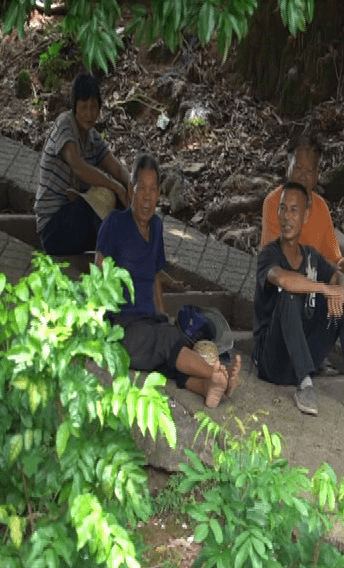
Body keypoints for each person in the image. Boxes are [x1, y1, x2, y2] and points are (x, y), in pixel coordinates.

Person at [95, 153, 241, 407]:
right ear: (131, 189)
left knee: (174, 343)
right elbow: (97, 277)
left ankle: (209, 387)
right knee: (165, 342)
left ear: (160, 193)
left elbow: (154, 275)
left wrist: (161, 312)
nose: (147, 197)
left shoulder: (158, 227)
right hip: (120, 327)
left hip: (148, 322)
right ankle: (218, 375)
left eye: (154, 190)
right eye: (142, 189)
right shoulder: (114, 224)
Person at [253, 181, 344, 419]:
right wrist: (325, 289)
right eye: (283, 209)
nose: (286, 217)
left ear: (305, 216)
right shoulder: (269, 254)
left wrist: (341, 292)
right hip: (273, 361)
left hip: (306, 352)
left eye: (294, 210)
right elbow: (282, 279)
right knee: (288, 297)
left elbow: (341, 277)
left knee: (341, 303)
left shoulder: (311, 256)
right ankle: (304, 384)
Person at [260, 134, 344, 311]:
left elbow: (335, 260)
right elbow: (275, 265)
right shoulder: (274, 203)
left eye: (309, 171)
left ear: (317, 175)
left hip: (317, 286)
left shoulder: (321, 207)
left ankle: (328, 331)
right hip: (288, 290)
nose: (303, 177)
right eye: (298, 169)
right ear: (288, 167)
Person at [35, 71, 131, 256]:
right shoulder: (65, 124)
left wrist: (131, 187)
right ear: (74, 107)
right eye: (84, 107)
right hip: (53, 229)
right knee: (104, 195)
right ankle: (111, 259)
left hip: (75, 226)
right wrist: (117, 188)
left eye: (94, 107)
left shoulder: (93, 138)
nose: (89, 114)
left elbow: (117, 168)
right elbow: (79, 168)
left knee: (120, 201)